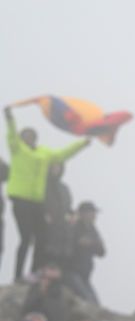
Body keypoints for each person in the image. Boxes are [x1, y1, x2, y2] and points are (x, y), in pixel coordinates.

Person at [4, 105, 90, 281]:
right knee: (26, 238)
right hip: (20, 199)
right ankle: (18, 275)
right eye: (25, 137)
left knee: (42, 237)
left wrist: (83, 144)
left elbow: (63, 154)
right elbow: (11, 134)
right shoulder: (17, 149)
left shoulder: (44, 153)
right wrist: (10, 118)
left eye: (31, 137)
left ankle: (34, 272)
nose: (28, 139)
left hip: (36, 200)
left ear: (35, 139)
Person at [65, 201, 106, 304]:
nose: (94, 216)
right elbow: (77, 242)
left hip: (84, 275)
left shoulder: (93, 230)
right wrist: (92, 243)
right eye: (91, 213)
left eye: (94, 213)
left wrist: (91, 243)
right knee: (88, 300)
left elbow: (102, 252)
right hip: (71, 271)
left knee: (95, 304)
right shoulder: (74, 226)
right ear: (83, 213)